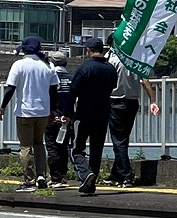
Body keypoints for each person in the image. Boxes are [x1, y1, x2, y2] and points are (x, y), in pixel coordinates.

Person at [0, 36, 59, 192]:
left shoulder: (19, 65)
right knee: (39, 143)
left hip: (25, 112)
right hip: (43, 112)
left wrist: (2, 107)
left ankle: (29, 180)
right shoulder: (48, 65)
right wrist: (53, 110)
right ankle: (42, 176)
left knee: (25, 146)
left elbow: (10, 88)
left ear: (24, 49)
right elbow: (54, 90)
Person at [105, 34, 160, 188]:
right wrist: (153, 101)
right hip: (132, 102)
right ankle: (115, 174)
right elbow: (145, 81)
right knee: (123, 139)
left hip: (115, 101)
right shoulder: (134, 59)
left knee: (118, 141)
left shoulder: (111, 60)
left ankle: (126, 176)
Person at [68, 36, 118, 196]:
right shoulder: (110, 69)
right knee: (97, 150)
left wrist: (67, 113)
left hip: (83, 114)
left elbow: (73, 91)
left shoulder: (85, 68)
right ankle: (91, 184)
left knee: (76, 149)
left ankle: (86, 174)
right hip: (103, 114)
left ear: (88, 50)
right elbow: (113, 87)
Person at [45, 51, 74, 188]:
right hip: (67, 118)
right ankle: (62, 175)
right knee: (63, 147)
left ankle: (55, 178)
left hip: (52, 116)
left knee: (52, 147)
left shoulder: (49, 77)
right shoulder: (72, 78)